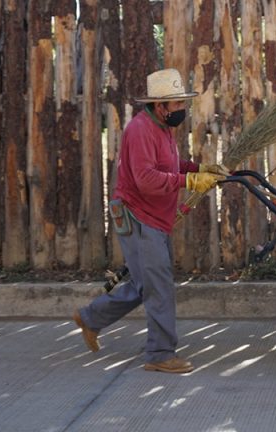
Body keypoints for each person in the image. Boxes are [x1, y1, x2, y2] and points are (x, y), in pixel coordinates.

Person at [73, 68, 229, 374]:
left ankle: (91, 318)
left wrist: (199, 168)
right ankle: (159, 353)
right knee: (158, 286)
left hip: (153, 216)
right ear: (160, 106)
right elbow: (146, 179)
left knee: (145, 284)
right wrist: (189, 181)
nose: (182, 109)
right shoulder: (140, 130)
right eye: (178, 105)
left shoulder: (161, 127)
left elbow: (168, 165)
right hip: (138, 215)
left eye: (183, 103)